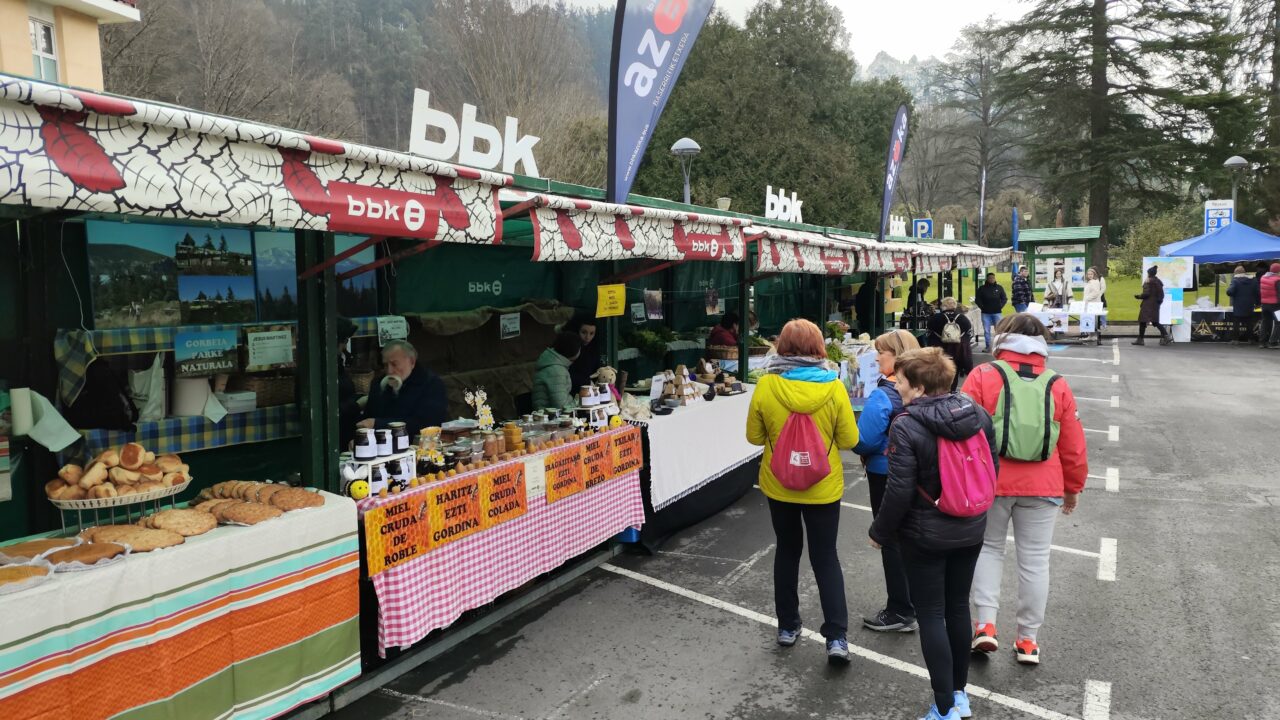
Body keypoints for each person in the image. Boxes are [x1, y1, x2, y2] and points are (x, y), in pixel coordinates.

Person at [869, 347, 996, 720]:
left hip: (924, 533)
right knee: (958, 607)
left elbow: (899, 490)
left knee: (930, 614)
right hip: (971, 527)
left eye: (902, 380)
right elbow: (992, 468)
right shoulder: (977, 414)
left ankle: (943, 708)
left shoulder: (906, 425)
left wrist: (880, 531)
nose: (898, 384)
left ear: (920, 386)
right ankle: (958, 696)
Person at [961, 314, 1087, 667]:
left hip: (991, 481)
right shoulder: (1056, 383)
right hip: (1044, 484)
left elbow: (962, 431)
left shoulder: (983, 376)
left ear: (1003, 339)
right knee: (1035, 561)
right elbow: (1073, 445)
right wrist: (1072, 487)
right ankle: (1028, 640)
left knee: (987, 549)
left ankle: (985, 624)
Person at [746, 319, 859, 664]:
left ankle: (787, 626)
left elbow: (753, 437)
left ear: (782, 346)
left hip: (779, 484)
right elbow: (849, 440)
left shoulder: (767, 386)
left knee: (787, 551)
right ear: (818, 348)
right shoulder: (835, 387)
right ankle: (837, 637)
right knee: (826, 557)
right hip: (823, 487)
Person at [854, 329, 922, 634]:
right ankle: (916, 603)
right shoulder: (924, 388)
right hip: (920, 472)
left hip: (885, 472)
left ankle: (900, 609)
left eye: (882, 351)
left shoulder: (884, 394)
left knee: (890, 539)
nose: (877, 356)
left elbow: (864, 439)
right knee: (911, 538)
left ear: (897, 357)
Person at [360, 340, 448, 432]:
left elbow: (428, 424)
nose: (389, 371)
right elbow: (367, 418)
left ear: (412, 362)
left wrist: (378, 424)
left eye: (394, 364)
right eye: (385, 365)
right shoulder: (378, 384)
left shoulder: (431, 384)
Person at [926, 297, 973, 391]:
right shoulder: (963, 319)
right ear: (955, 306)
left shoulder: (935, 319)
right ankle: (952, 390)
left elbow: (929, 334)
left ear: (943, 307)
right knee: (954, 372)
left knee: (938, 373)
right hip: (957, 353)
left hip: (940, 352)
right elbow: (968, 336)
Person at [532, 332, 582, 411]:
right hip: (550, 418)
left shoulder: (552, 362)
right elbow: (562, 406)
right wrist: (579, 402)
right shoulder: (556, 371)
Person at [337, 317, 361, 450]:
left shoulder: (336, 363)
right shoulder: (323, 369)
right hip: (336, 439)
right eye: (345, 341)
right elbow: (328, 411)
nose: (345, 346)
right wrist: (357, 404)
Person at [1134, 266, 1171, 346]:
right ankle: (1166, 336)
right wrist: (1158, 302)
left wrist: (1139, 296)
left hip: (1147, 305)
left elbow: (1146, 294)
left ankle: (1141, 340)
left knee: (1143, 321)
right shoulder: (1158, 282)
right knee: (1155, 322)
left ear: (1149, 273)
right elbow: (1161, 295)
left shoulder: (1148, 281)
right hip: (1155, 305)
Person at [566, 317, 601, 391]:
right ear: (577, 330)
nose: (587, 337)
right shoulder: (569, 348)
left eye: (592, 333)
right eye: (584, 332)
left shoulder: (594, 349)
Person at [974, 273, 1008, 352]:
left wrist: (1000, 306)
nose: (992, 279)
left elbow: (1004, 298)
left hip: (997, 312)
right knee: (986, 330)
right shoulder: (982, 289)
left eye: (993, 278)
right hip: (986, 313)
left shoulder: (999, 288)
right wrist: (982, 307)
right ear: (987, 279)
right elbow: (977, 300)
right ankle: (988, 346)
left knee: (999, 329)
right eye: (990, 278)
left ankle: (999, 346)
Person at [1226, 266, 1259, 345]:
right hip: (1250, 304)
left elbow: (1229, 292)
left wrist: (1230, 288)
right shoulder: (1253, 280)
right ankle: (1251, 339)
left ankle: (1235, 340)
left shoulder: (1235, 280)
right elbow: (1257, 292)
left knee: (1236, 323)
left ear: (1236, 273)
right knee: (1249, 323)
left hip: (1238, 305)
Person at [1081, 267, 1108, 339]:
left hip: (1092, 304)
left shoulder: (1095, 282)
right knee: (1090, 320)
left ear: (1094, 274)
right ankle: (1091, 335)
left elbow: (1096, 293)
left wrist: (1087, 299)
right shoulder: (1089, 282)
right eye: (1088, 274)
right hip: (1088, 304)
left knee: (1092, 320)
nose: (1089, 275)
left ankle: (1093, 336)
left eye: (1091, 274)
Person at [1259, 262, 1280, 349]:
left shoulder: (1263, 278)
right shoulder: (1277, 280)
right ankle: (1273, 342)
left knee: (1265, 322)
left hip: (1264, 304)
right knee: (1278, 323)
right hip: (1276, 305)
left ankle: (1262, 342)